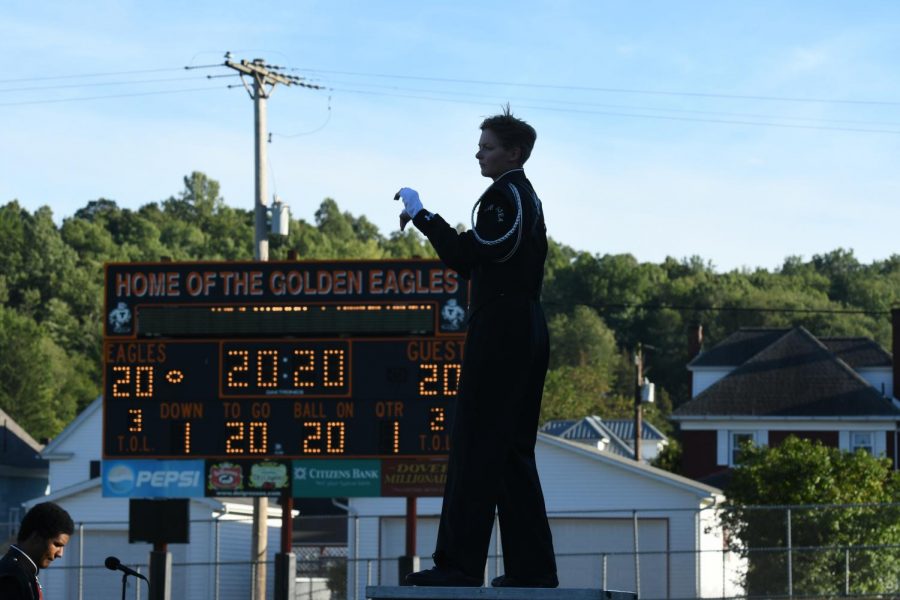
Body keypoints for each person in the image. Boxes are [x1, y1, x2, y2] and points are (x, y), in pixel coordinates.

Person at [395, 107, 558, 588]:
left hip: (504, 327)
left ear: (514, 153)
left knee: (475, 445)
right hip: (525, 325)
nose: (478, 153)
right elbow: (480, 262)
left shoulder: (504, 197)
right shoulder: (521, 196)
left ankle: (458, 566)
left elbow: (470, 255)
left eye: (487, 147)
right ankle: (533, 570)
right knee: (510, 453)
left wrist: (422, 214)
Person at [0, 502, 74, 599]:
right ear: (36, 538)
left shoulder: (24, 572)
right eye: (57, 545)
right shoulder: (11, 578)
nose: (60, 554)